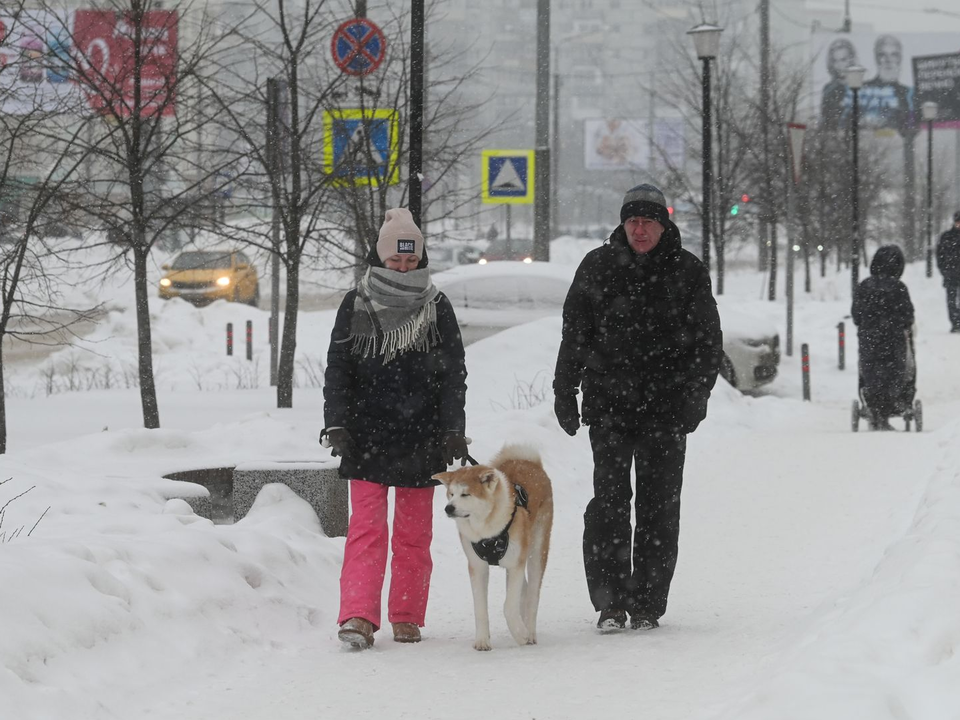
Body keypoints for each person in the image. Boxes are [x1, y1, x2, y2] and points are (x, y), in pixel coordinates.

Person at [553, 184, 722, 632]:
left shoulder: (687, 271)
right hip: (609, 408)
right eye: (632, 221)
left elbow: (707, 344)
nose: (640, 229)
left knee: (658, 509)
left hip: (666, 412)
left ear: (663, 224)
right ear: (622, 224)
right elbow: (575, 335)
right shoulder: (597, 266)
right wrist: (564, 390)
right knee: (609, 504)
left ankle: (647, 602)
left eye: (648, 221)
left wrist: (696, 395)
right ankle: (610, 602)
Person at [321, 207, 469, 649]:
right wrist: (337, 422)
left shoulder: (437, 306)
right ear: (380, 257)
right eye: (395, 260)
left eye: (411, 260)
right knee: (366, 530)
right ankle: (358, 617)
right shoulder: (356, 303)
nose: (403, 267)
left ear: (420, 259)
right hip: (365, 435)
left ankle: (406, 614)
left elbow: (452, 374)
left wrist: (452, 430)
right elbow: (338, 368)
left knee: (413, 534)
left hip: (421, 437)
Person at [851, 245, 916, 430]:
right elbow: (908, 315)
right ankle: (890, 405)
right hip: (893, 338)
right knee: (894, 371)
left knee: (870, 371)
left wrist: (867, 324)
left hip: (869, 337)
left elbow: (856, 314)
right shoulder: (899, 287)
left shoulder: (864, 286)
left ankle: (873, 406)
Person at [860, 35, 915, 135]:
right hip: (866, 145)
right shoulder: (861, 90)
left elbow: (912, 126)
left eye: (894, 54)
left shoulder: (909, 93)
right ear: (876, 58)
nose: (888, 60)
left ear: (900, 59)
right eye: (882, 54)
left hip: (897, 146)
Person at [820, 38, 857, 129]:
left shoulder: (861, 88)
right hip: (835, 137)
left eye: (843, 60)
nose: (839, 65)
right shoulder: (828, 90)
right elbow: (825, 119)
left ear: (851, 59)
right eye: (835, 61)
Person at [936, 211, 960, 332]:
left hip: (951, 272)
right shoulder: (946, 237)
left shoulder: (947, 237)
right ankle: (955, 322)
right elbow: (940, 255)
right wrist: (944, 269)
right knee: (951, 300)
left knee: (953, 299)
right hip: (950, 273)